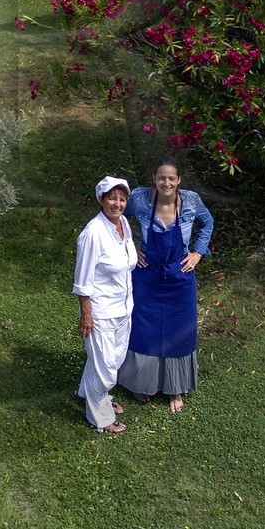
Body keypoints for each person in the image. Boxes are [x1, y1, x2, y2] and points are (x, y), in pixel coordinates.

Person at [120, 159, 215, 413]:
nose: (166, 183)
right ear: (154, 178)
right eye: (162, 177)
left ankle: (175, 388)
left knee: (179, 329)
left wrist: (197, 252)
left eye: (171, 178)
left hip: (180, 276)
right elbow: (116, 217)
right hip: (147, 274)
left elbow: (208, 223)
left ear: (179, 181)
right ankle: (141, 382)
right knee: (144, 327)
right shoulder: (139, 199)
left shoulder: (191, 201)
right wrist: (130, 248)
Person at [74, 175, 136, 433]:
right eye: (112, 198)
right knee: (106, 369)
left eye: (122, 199)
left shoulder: (123, 224)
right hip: (100, 312)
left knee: (112, 360)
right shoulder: (92, 234)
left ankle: (87, 393)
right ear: (101, 199)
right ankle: (100, 417)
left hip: (124, 308)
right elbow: (82, 280)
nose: (117, 203)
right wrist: (86, 314)